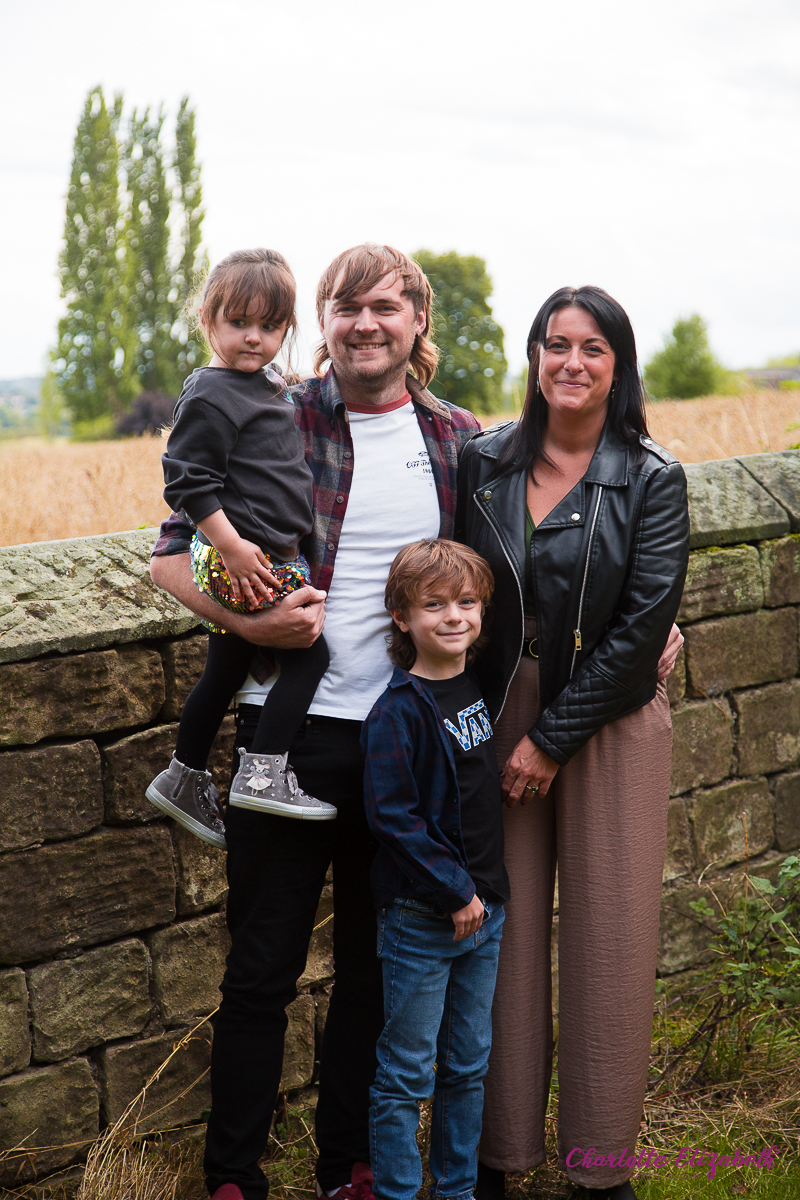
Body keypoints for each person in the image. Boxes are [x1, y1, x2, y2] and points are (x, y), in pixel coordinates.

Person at [149, 244, 482, 1200]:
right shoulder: (271, 410)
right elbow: (170, 557)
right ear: (323, 324)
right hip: (285, 740)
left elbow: (534, 551)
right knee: (260, 970)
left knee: (376, 972)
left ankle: (353, 1167)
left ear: (417, 319)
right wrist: (253, 619)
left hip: (404, 745)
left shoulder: (459, 440)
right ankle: (234, 1178)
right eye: (346, 307)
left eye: (385, 306)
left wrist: (649, 610)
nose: (365, 323)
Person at [456, 286, 690, 1200]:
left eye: (593, 348)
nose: (572, 363)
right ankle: (498, 1156)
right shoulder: (480, 463)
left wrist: (551, 741)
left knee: (612, 940)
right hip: (502, 708)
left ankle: (599, 1171)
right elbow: (452, 585)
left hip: (613, 719)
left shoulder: (653, 476)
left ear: (619, 366)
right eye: (555, 344)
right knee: (499, 941)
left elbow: (642, 628)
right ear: (533, 358)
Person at [147, 248, 334, 848]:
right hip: (247, 556)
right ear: (208, 320)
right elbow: (186, 480)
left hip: (265, 551)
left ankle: (184, 774)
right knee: (310, 656)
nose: (254, 339)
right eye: (239, 324)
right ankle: (264, 772)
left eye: (270, 327)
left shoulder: (261, 384)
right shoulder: (210, 394)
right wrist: (230, 548)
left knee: (225, 668)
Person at [362, 538, 508, 1200]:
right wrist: (455, 894)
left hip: (486, 915)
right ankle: (396, 1192)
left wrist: (481, 899)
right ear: (402, 618)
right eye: (435, 605)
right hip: (424, 920)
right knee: (405, 1074)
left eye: (467, 602)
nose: (454, 617)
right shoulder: (398, 712)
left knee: (468, 1066)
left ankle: (457, 1190)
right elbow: (395, 820)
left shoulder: (473, 687)